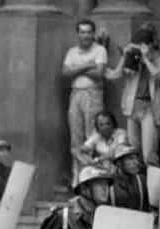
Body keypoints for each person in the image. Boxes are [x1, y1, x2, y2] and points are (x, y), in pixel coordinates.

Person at [107, 27, 160, 167]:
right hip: (132, 108)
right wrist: (125, 57)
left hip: (149, 110)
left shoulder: (159, 57)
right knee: (135, 154)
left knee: (150, 156)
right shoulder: (132, 58)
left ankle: (154, 189)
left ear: (150, 45)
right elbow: (115, 76)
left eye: (143, 46)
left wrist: (146, 60)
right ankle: (139, 187)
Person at [62, 19, 108, 184]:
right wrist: (86, 66)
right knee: (76, 137)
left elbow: (99, 73)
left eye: (89, 32)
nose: (86, 35)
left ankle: (91, 176)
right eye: (82, 32)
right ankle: (77, 177)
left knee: (92, 136)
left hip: (92, 95)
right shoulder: (72, 52)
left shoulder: (100, 50)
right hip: (75, 95)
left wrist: (78, 69)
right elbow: (66, 72)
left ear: (93, 34)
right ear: (78, 34)